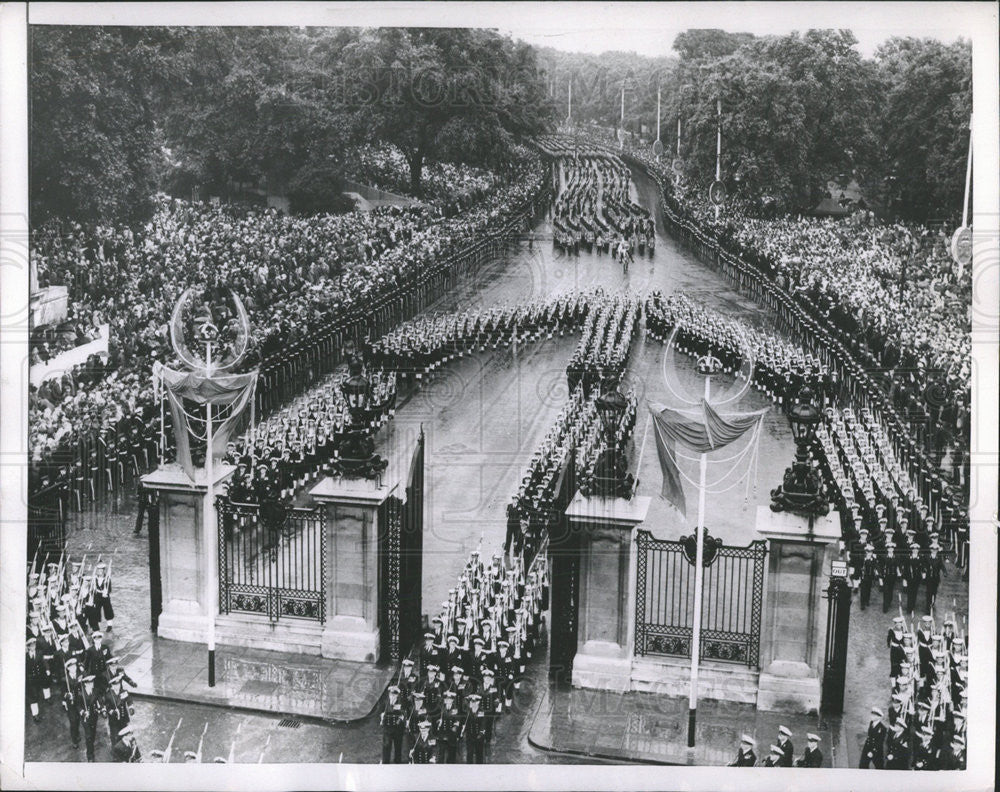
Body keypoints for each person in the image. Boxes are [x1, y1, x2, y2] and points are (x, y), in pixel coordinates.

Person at [380, 685, 405, 764]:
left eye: (395, 694)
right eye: (391, 694)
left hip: (398, 729)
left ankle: (397, 763)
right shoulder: (385, 703)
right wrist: (381, 715)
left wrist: (401, 715)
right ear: (389, 694)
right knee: (386, 747)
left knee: (398, 748)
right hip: (387, 729)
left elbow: (404, 712)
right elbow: (379, 711)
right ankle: (385, 763)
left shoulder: (401, 703)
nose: (393, 696)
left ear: (397, 695)